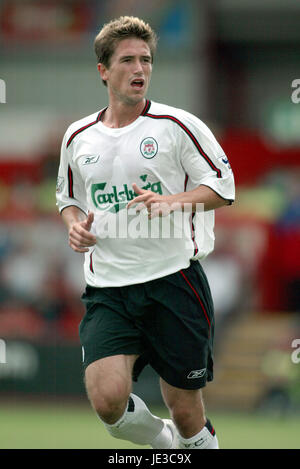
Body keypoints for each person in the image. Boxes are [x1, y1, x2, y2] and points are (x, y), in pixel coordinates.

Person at [56, 16, 235, 449]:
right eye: (128, 60)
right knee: (107, 400)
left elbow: (223, 189)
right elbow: (68, 198)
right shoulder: (78, 136)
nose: (140, 69)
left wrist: (170, 202)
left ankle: (189, 441)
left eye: (146, 60)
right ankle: (167, 448)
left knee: (186, 409)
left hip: (173, 281)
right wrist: (74, 227)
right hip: (109, 288)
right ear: (103, 70)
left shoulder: (178, 126)